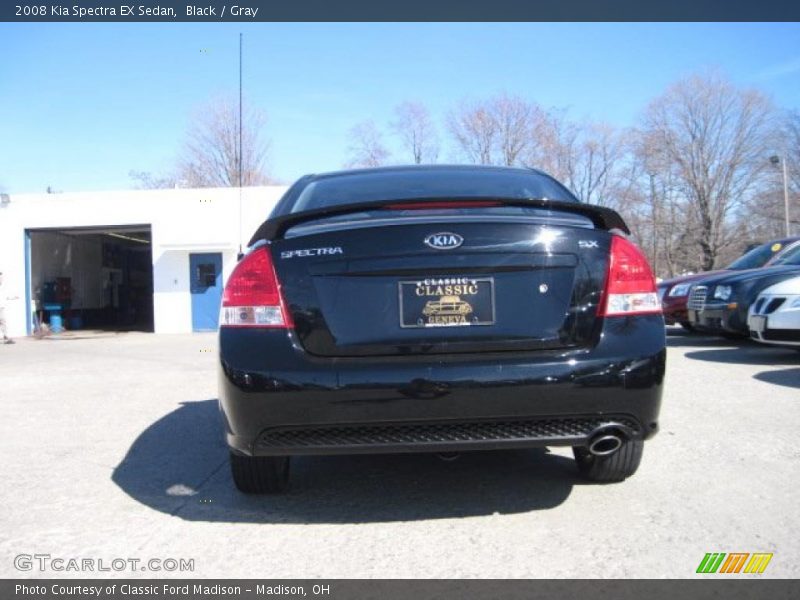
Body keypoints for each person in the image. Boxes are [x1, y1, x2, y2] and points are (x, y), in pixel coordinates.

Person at [0, 271, 18, 344]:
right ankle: (6, 336)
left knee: (3, 321)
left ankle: (6, 336)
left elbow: (6, 296)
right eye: (0, 278)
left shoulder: (2, 287)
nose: (1, 279)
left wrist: (14, 297)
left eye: (1, 278)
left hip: (1, 307)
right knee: (3, 321)